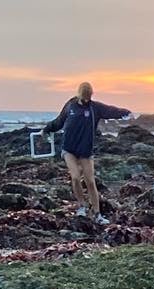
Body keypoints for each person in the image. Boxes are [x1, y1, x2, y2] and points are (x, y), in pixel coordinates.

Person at [42, 82, 131, 226]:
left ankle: (97, 214)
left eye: (88, 97)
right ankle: (82, 206)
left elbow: (110, 110)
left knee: (90, 181)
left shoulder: (95, 107)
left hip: (85, 150)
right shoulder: (70, 105)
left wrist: (125, 112)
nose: (86, 100)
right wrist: (46, 129)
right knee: (76, 177)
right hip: (69, 148)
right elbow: (59, 121)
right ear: (79, 94)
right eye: (84, 97)